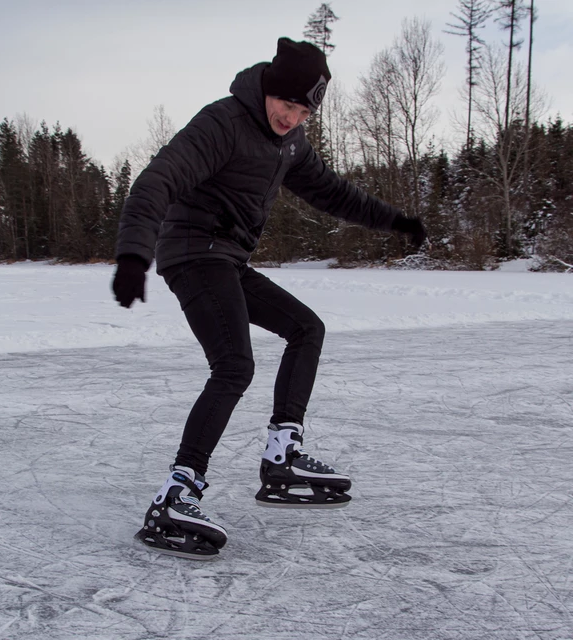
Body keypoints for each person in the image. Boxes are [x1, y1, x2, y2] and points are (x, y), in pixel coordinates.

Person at [113, 37, 427, 559]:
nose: (292, 115)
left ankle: (282, 455)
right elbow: (157, 180)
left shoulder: (292, 143)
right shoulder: (223, 124)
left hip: (228, 259)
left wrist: (394, 220)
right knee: (234, 366)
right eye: (287, 103)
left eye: (304, 109)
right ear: (268, 90)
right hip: (192, 253)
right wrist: (131, 256)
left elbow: (332, 191)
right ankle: (176, 493)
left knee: (307, 328)